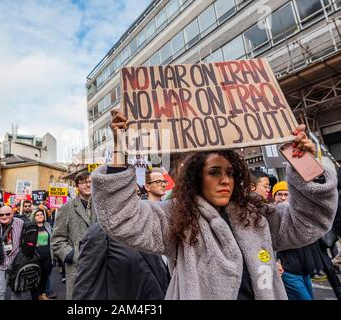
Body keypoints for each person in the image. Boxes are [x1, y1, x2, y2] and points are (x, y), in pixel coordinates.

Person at [91, 110, 338, 300]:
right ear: (197, 177)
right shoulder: (176, 216)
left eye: (230, 173)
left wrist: (306, 162)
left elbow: (308, 222)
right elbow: (121, 218)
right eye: (214, 172)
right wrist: (120, 151)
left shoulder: (255, 213)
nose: (225, 180)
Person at [73, 185, 169, 300]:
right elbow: (86, 287)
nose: (136, 199)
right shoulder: (100, 233)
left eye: (137, 194)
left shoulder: (146, 226)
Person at [51, 172, 96, 300]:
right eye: (83, 182)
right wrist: (71, 255)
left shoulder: (100, 206)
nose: (88, 185)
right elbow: (57, 239)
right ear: (77, 186)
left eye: (90, 182)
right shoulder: (67, 208)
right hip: (77, 267)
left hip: (99, 264)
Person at [273, 181, 318, 300]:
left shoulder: (300, 215)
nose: (283, 198)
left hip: (305, 271)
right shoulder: (271, 217)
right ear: (274, 197)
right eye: (279, 194)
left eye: (286, 194)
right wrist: (275, 261)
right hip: (288, 271)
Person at [31, 209, 53, 300]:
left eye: (41, 214)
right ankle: (35, 296)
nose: (40, 216)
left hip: (47, 255)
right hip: (35, 256)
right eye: (37, 215)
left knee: (44, 276)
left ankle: (42, 294)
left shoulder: (47, 226)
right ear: (33, 217)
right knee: (35, 278)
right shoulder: (31, 227)